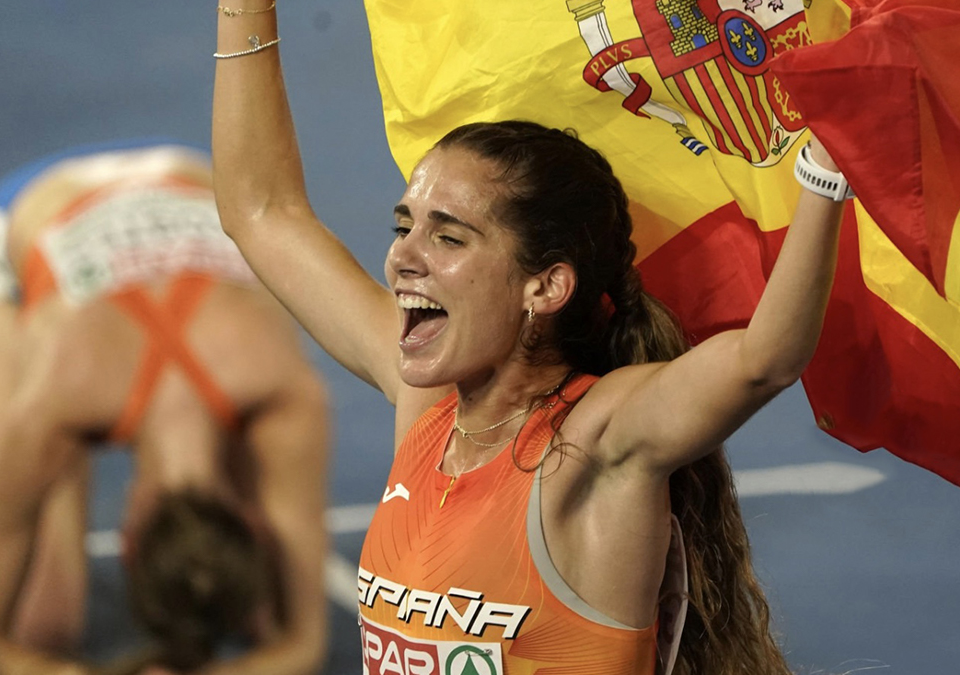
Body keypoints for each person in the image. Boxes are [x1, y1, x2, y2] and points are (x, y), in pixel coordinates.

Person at [213, 3, 846, 674]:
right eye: (406, 225)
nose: (402, 257)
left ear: (544, 287)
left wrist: (827, 170)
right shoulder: (429, 411)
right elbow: (261, 213)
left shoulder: (595, 442)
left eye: (448, 236)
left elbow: (764, 360)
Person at [0, 142, 331, 675]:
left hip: (183, 179)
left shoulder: (281, 387)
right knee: (43, 621)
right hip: (27, 210)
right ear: (130, 539)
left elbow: (300, 646)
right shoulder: (62, 399)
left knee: (255, 606)